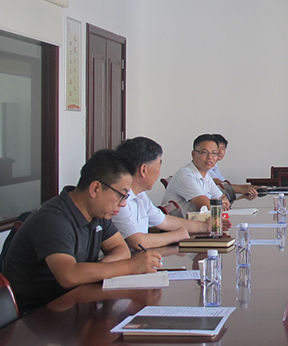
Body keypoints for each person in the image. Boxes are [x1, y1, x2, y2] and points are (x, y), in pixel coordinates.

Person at [2, 150, 162, 312]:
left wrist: (98, 270)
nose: (123, 204)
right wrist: (130, 266)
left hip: (73, 303)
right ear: (95, 188)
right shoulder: (53, 219)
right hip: (36, 314)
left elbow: (120, 249)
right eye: (121, 195)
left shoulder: (98, 212)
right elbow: (69, 275)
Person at [114, 137, 230, 250]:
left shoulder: (140, 195)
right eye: (159, 165)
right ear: (144, 169)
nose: (159, 173)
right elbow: (138, 242)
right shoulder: (119, 200)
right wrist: (175, 235)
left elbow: (164, 220)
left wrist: (204, 226)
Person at [161, 134, 230, 215]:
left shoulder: (206, 175)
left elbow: (222, 197)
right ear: (193, 154)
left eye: (214, 153)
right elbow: (208, 206)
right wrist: (219, 204)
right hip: (183, 222)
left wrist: (222, 201)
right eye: (204, 152)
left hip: (198, 220)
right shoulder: (186, 176)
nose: (210, 157)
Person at [209, 134, 259, 203]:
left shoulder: (215, 166)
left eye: (223, 148)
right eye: (218, 148)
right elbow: (221, 185)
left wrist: (248, 187)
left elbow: (226, 185)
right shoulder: (207, 167)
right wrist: (243, 190)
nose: (220, 151)